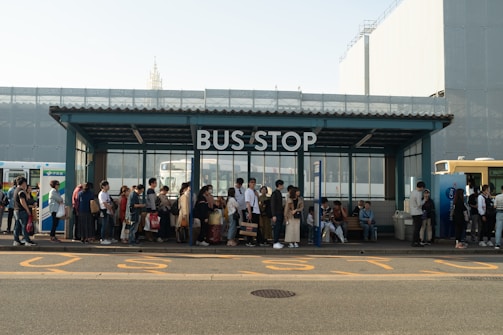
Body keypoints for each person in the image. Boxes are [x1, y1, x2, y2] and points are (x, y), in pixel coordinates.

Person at [13, 177, 36, 246]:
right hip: (22, 211)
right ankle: (27, 241)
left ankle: (16, 241)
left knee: (17, 226)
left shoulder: (16, 190)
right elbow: (22, 201)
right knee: (24, 226)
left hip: (16, 210)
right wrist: (27, 210)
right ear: (23, 183)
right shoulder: (21, 191)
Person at [245, 178, 266, 247]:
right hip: (252, 210)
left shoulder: (254, 191)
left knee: (256, 227)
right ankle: (249, 241)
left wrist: (257, 195)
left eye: (254, 182)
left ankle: (259, 240)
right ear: (249, 183)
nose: (253, 183)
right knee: (251, 227)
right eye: (251, 182)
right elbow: (248, 202)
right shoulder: (248, 191)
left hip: (256, 211)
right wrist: (249, 212)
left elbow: (258, 200)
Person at [98, 180, 115, 245]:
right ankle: (103, 238)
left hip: (109, 210)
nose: (108, 187)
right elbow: (105, 203)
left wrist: (111, 210)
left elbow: (109, 202)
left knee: (111, 224)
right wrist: (110, 209)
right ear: (103, 186)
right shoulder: (101, 194)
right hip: (104, 210)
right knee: (104, 225)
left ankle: (110, 237)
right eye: (107, 185)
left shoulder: (107, 193)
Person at [410, 181, 426, 247]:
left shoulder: (412, 192)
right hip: (418, 212)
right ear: (421, 187)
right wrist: (424, 200)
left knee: (416, 227)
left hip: (413, 212)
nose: (423, 189)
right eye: (423, 188)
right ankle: (415, 241)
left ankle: (416, 241)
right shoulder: (418, 193)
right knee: (418, 228)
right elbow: (419, 204)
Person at [270, 179, 285, 249]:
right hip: (277, 214)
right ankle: (275, 242)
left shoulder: (278, 193)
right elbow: (272, 205)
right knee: (277, 228)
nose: (283, 186)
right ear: (279, 185)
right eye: (282, 185)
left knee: (279, 228)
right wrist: (273, 215)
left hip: (279, 213)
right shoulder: (275, 193)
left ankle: (277, 241)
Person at [493, 185, 503, 250]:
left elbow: (494, 206)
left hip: (499, 213)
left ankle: (497, 244)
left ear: (501, 190)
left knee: (498, 229)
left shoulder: (497, 197)